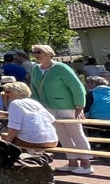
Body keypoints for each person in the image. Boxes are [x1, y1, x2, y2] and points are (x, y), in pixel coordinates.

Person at [30, 44, 92, 174]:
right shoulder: (36, 69)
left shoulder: (61, 68)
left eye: (38, 52)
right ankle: (72, 162)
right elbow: (34, 89)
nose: (35, 55)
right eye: (34, 52)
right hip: (47, 108)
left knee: (76, 134)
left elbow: (77, 88)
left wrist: (79, 107)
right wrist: (36, 106)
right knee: (62, 135)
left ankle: (86, 164)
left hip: (67, 106)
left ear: (48, 53)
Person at [0, 81, 58, 149]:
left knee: (2, 136)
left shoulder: (15, 103)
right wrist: (4, 113)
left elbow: (14, 129)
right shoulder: (34, 102)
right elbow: (51, 119)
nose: (6, 94)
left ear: (16, 92)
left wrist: (6, 145)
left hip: (35, 141)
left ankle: (19, 158)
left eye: (8, 92)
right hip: (53, 140)